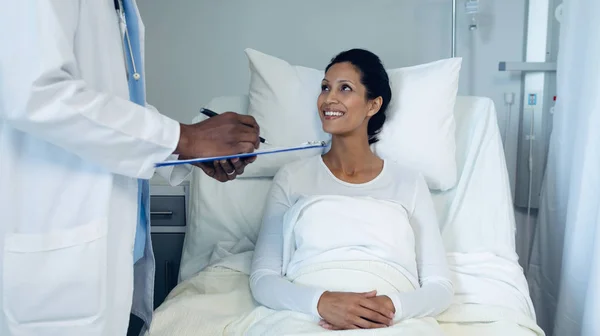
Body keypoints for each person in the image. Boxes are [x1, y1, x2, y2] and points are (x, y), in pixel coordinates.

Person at [0, 1, 259, 335]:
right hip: (62, 258)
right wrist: (184, 138)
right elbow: (33, 93)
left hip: (119, 256)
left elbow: (115, 106)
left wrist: (184, 152)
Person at [249, 49, 454, 330]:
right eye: (325, 88)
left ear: (373, 105)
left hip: (389, 322)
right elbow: (263, 278)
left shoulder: (409, 182)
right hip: (307, 318)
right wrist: (321, 302)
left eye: (345, 88)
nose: (328, 98)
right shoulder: (292, 177)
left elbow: (440, 285)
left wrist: (391, 306)